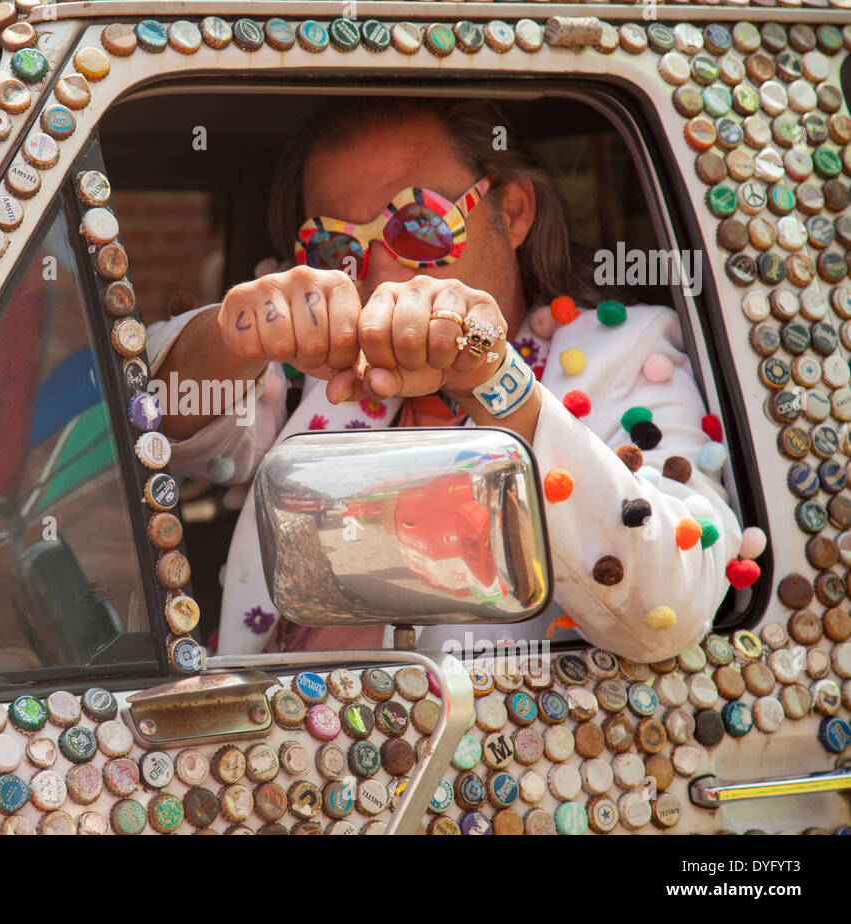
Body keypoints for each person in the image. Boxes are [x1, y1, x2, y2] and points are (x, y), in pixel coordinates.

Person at [146, 97, 743, 664]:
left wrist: (489, 373)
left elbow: (672, 605)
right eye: (336, 247)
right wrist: (238, 334)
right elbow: (158, 423)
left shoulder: (624, 350)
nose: (379, 275)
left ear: (512, 212)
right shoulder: (317, 369)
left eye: (418, 227)